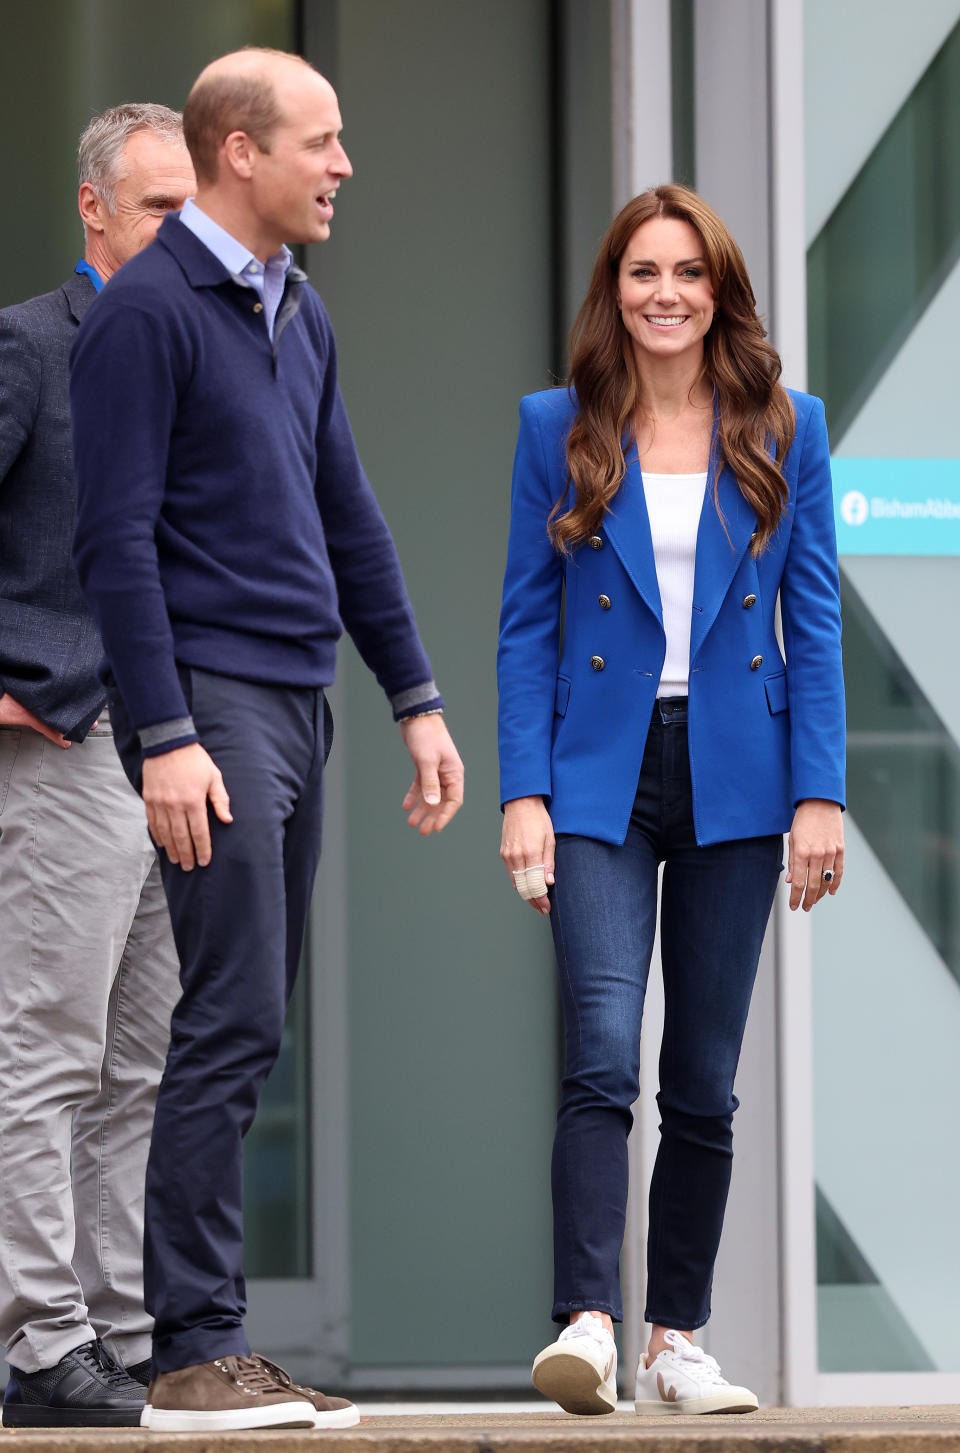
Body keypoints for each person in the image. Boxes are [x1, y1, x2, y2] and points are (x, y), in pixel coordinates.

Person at [70, 48, 464, 1434]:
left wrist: (415, 697)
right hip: (214, 702)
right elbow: (111, 540)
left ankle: (206, 1337)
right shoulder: (147, 313)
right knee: (229, 1012)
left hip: (298, 701)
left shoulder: (298, 310)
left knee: (250, 1012)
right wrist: (166, 731)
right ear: (241, 150)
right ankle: (195, 1348)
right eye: (323, 139)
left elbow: (348, 517)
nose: (343, 163)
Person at [497, 185, 844, 1416]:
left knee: (701, 1071)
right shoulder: (561, 424)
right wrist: (522, 791)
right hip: (598, 772)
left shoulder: (786, 425)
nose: (665, 293)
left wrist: (822, 795)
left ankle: (675, 1338)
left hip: (741, 774)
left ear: (719, 291)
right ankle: (590, 1323)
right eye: (643, 271)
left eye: (688, 273)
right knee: (601, 1050)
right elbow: (527, 624)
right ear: (616, 288)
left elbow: (814, 620)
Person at [0, 105, 195, 1430]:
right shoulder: (29, 345)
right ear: (95, 211)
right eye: (160, 212)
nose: (185, 237)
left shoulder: (199, 347)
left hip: (178, 749)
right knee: (48, 1052)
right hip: (65, 733)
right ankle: (39, 1337)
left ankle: (114, 1338)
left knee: (141, 1064)